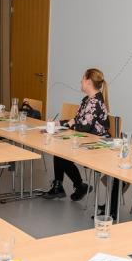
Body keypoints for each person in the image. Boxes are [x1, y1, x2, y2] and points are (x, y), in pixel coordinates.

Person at [43, 68, 109, 201]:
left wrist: (71, 123)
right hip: (85, 139)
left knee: (62, 154)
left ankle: (76, 186)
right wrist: (58, 123)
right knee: (59, 151)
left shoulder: (95, 102)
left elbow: (83, 127)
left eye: (83, 79)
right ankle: (62, 186)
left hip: (96, 144)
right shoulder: (87, 100)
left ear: (88, 82)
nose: (80, 81)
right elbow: (77, 121)